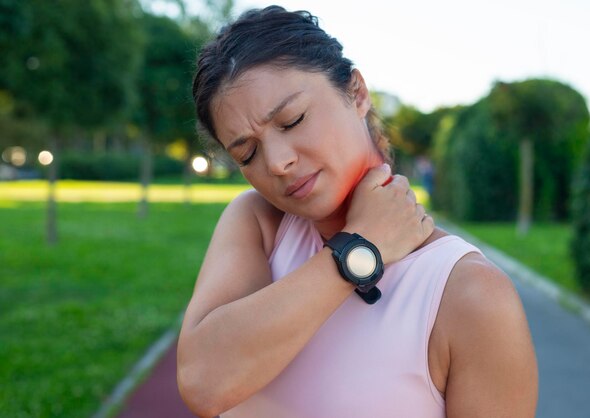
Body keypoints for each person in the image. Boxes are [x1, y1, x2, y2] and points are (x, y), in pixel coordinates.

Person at [177, 6, 538, 418]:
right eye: (248, 152)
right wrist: (360, 249)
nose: (277, 162)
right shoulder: (260, 223)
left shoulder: (469, 294)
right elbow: (203, 382)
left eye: (292, 121)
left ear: (357, 93)